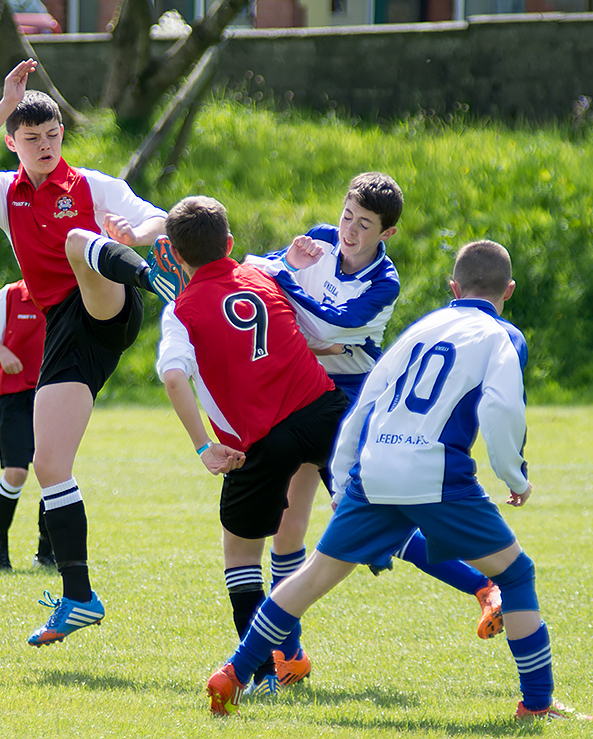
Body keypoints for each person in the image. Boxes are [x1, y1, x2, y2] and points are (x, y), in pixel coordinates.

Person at [207, 240, 590, 722]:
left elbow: (366, 401)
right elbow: (502, 407)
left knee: (313, 578)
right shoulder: (502, 335)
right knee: (515, 574)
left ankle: (233, 673)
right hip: (435, 469)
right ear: (508, 291)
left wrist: (347, 482)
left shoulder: (421, 328)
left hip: (374, 467)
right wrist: (515, 473)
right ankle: (536, 704)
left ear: (453, 288)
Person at [0, 59, 186, 647]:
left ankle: (155, 282)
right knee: (50, 464)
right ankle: (79, 596)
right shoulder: (6, 195)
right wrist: (6, 102)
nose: (45, 146)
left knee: (84, 240)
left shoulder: (93, 186)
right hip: (65, 329)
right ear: (14, 142)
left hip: (110, 306)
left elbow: (162, 219)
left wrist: (137, 237)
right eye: (31, 138)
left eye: (53, 135)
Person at [243, 173, 503, 669]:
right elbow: (252, 270)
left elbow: (329, 324)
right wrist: (285, 271)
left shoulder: (384, 282)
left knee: (376, 521)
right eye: (347, 216)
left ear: (387, 234)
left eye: (364, 224)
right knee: (288, 524)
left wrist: (287, 283)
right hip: (301, 392)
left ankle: (484, 584)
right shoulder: (318, 240)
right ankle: (290, 655)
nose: (349, 230)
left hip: (351, 405)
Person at [155, 195, 349, 695]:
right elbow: (314, 334)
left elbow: (174, 377)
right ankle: (481, 581)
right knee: (380, 512)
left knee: (241, 556)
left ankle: (261, 673)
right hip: (322, 408)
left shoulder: (181, 310)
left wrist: (203, 447)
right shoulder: (260, 276)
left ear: (175, 257)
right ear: (230, 243)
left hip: (258, 443)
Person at [0, 278, 52, 572]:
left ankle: (47, 550)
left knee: (54, 471)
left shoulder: (68, 291)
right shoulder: (12, 294)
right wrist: (4, 353)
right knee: (16, 472)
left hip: (53, 389)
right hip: (14, 392)